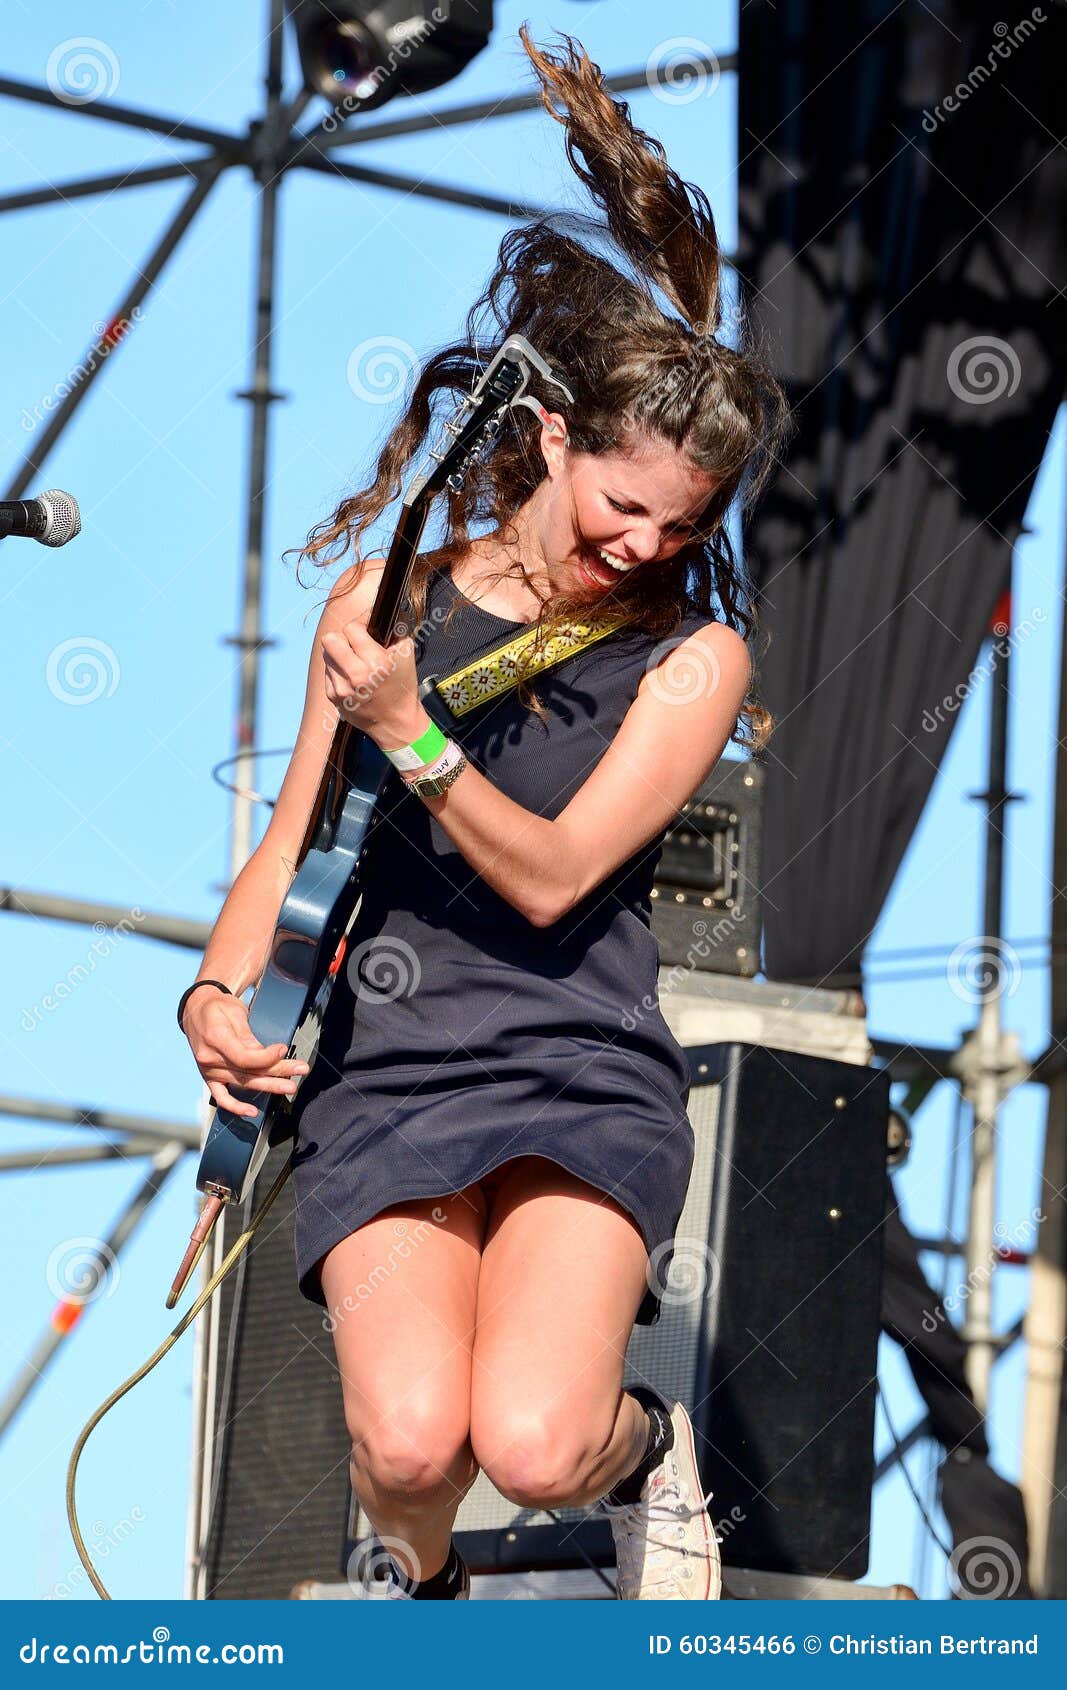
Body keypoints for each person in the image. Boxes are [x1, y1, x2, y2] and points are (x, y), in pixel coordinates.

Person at [179, 26, 787, 1602]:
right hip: (391, 1061)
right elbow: (293, 852)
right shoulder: (382, 601)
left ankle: (648, 1451)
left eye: (685, 525)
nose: (645, 544)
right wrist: (208, 1003)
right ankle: (431, 1601)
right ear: (554, 437)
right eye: (620, 503)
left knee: (531, 1433)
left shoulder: (695, 655)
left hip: (577, 1055)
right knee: (404, 1445)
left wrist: (416, 731)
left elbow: (559, 874)